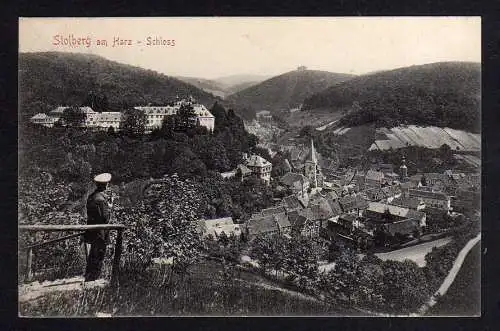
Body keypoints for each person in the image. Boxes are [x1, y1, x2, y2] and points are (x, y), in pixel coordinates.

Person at [84, 173, 114, 281]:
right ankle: (93, 278)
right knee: (99, 253)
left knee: (93, 253)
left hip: (91, 229)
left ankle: (88, 276)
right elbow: (105, 218)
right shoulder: (102, 199)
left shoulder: (91, 196)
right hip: (100, 232)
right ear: (105, 185)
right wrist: (110, 207)